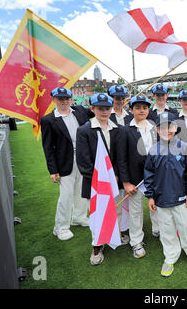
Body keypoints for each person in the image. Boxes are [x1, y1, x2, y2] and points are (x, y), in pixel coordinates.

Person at [144, 112, 187, 276]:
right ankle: (170, 256)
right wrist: (150, 196)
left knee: (185, 227)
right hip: (162, 199)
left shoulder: (184, 147)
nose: (166, 130)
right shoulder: (153, 150)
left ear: (175, 127)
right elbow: (148, 175)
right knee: (167, 230)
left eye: (169, 126)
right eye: (161, 127)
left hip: (181, 198)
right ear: (156, 130)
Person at [76, 93, 128, 265]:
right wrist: (102, 180)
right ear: (92, 109)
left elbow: (121, 157)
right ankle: (97, 244)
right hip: (96, 184)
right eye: (100, 108)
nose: (104, 112)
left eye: (107, 108)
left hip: (116, 180)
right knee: (97, 214)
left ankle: (116, 234)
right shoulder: (84, 130)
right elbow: (84, 162)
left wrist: (118, 176)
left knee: (117, 209)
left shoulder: (118, 129)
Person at [40, 87, 91, 241]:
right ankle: (60, 227)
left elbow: (99, 111)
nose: (63, 101)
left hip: (83, 158)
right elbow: (47, 147)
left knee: (82, 190)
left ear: (71, 99)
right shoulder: (48, 120)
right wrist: (52, 170)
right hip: (64, 162)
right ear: (54, 100)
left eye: (66, 98)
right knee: (66, 195)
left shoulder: (80, 111)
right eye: (59, 99)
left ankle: (79, 217)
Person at [117, 94, 159, 258]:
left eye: (145, 107)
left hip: (154, 176)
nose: (142, 110)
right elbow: (121, 158)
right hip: (135, 179)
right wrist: (126, 182)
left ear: (149, 109)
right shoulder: (125, 130)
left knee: (156, 206)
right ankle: (136, 241)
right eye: (138, 107)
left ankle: (158, 229)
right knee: (135, 211)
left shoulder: (154, 127)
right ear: (131, 109)